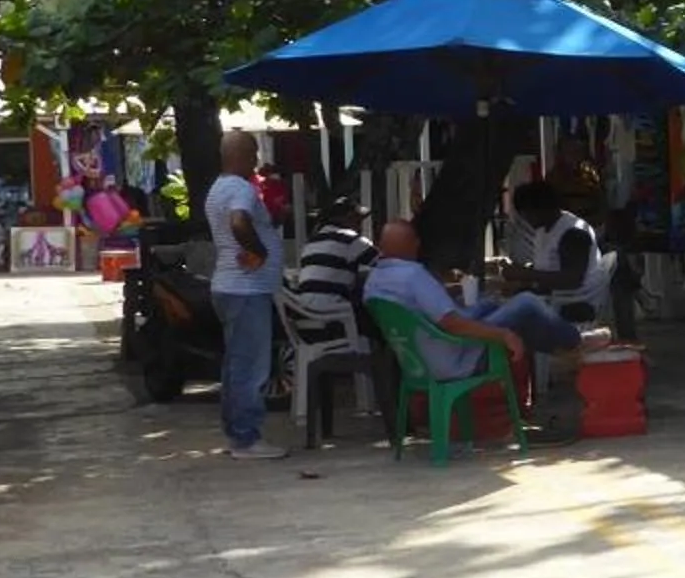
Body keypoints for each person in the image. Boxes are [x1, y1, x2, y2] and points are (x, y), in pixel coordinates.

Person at [365, 221, 601, 417]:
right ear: (413, 244)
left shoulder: (374, 280)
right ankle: (574, 342)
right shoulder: (413, 275)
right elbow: (452, 323)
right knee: (526, 303)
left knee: (491, 303)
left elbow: (429, 313)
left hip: (418, 363)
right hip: (456, 359)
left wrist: (477, 304)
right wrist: (502, 334)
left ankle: (562, 349)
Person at [206, 131, 285, 459]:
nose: (255, 160)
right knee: (251, 366)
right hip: (246, 288)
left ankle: (237, 432)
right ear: (239, 155)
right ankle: (246, 438)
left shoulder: (218, 188)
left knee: (236, 364)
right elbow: (239, 222)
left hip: (231, 286)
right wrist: (260, 251)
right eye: (252, 153)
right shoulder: (239, 188)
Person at [504, 178, 615, 325]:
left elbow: (572, 280)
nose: (526, 219)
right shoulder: (542, 230)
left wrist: (526, 274)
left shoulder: (573, 233)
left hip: (576, 303)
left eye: (526, 213)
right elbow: (547, 270)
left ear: (540, 209)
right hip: (555, 297)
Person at [293, 194, 377, 335]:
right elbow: (385, 264)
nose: (360, 225)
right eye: (358, 219)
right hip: (333, 313)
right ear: (349, 217)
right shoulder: (350, 238)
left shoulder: (312, 242)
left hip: (306, 312)